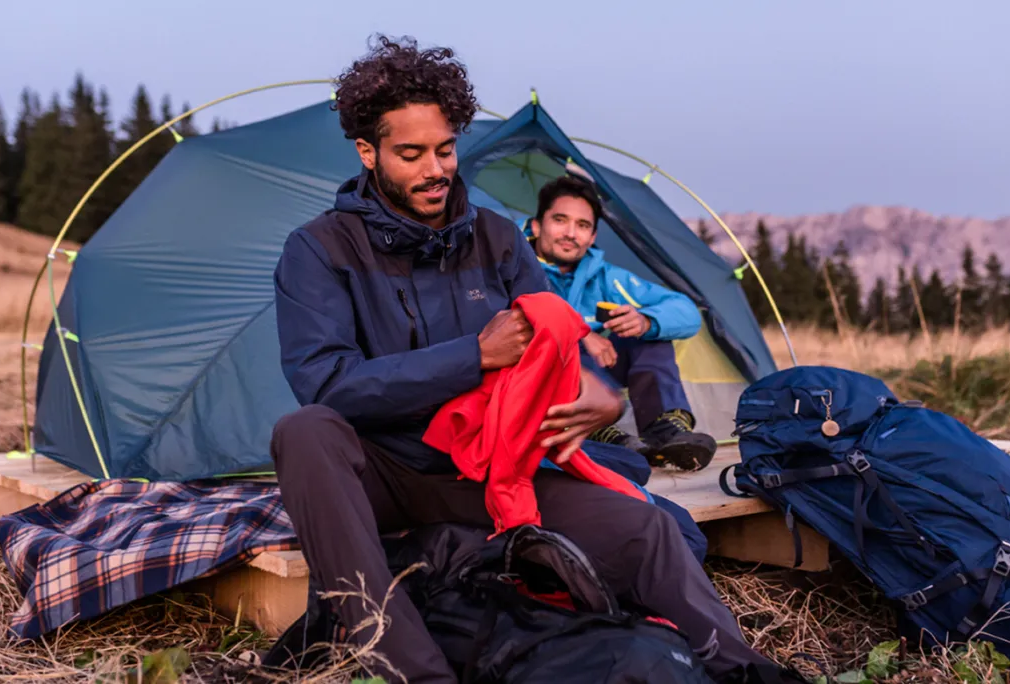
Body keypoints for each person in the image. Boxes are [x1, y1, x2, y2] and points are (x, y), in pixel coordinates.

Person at [270, 36, 773, 684]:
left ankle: (750, 671)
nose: (435, 169)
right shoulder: (317, 249)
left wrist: (599, 393)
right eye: (411, 153)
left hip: (493, 463)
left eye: (446, 149)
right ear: (367, 152)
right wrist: (473, 356)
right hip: (387, 471)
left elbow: (554, 336)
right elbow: (329, 384)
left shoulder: (499, 237)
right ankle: (413, 668)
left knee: (648, 530)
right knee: (305, 433)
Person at [526, 174, 719, 472]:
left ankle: (664, 428)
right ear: (537, 225)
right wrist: (579, 333)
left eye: (582, 225)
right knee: (555, 346)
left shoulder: (607, 277)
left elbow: (686, 311)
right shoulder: (515, 265)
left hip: (603, 371)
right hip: (546, 380)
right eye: (560, 220)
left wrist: (645, 321)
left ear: (592, 237)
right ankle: (597, 431)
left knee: (651, 333)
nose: (570, 233)